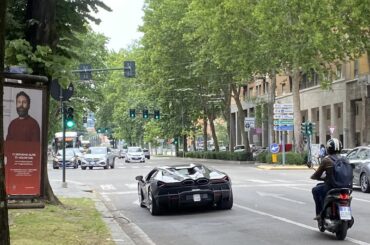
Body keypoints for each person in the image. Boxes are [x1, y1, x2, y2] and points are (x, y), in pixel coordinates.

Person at [310, 138, 342, 220]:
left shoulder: (327, 160)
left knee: (315, 190)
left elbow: (317, 174)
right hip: (346, 188)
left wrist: (313, 177)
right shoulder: (345, 160)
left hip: (332, 187)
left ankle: (320, 213)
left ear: (328, 149)